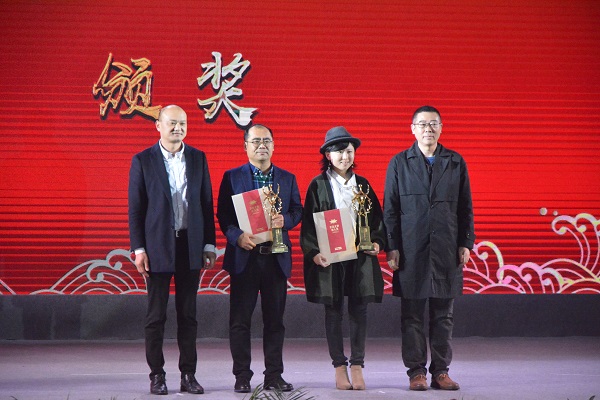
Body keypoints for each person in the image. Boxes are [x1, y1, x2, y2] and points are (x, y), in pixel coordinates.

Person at [383, 105, 475, 391]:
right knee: (411, 316)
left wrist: (466, 242)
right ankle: (416, 373)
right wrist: (392, 247)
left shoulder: (455, 162)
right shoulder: (399, 163)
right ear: (412, 129)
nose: (428, 129)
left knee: (443, 315)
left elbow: (465, 207)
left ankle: (441, 372)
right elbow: (390, 209)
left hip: (446, 248)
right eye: (422, 124)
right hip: (411, 250)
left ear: (441, 128)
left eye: (433, 124)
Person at [128, 105, 217, 395]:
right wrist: (139, 249)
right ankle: (157, 375)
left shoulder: (198, 157)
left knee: (188, 315)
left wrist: (209, 243)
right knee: (156, 316)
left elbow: (206, 204)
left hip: (190, 245)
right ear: (158, 125)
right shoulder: (143, 160)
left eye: (183, 123)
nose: (178, 128)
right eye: (172, 123)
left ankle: (188, 375)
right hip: (157, 247)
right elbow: (136, 209)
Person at [216, 124, 303, 393]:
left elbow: (297, 210)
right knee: (240, 321)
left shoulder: (287, 178)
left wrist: (285, 220)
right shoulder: (232, 177)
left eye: (266, 141)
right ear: (246, 146)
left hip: (276, 258)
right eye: (256, 141)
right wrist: (237, 237)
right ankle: (242, 375)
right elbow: (223, 215)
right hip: (245, 257)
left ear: (274, 146)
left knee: (275, 321)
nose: (261, 145)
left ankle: (274, 375)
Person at [300, 126, 385, 390]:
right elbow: (308, 224)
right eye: (338, 151)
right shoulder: (318, 185)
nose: (345, 156)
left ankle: (357, 365)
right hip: (331, 257)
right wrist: (314, 253)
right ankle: (339, 366)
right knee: (333, 310)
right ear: (327, 155)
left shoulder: (363, 184)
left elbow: (377, 219)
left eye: (349, 151)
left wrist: (378, 242)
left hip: (360, 256)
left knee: (359, 310)